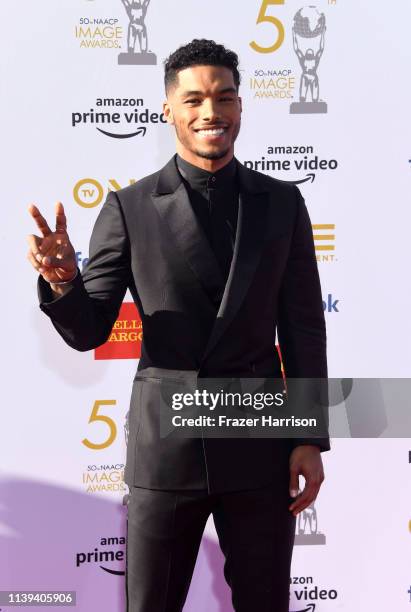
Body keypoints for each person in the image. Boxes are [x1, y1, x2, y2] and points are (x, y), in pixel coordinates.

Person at [27, 39, 330, 612]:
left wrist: (309, 437)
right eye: (193, 99)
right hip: (167, 449)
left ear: (241, 106)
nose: (210, 112)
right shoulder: (130, 207)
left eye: (224, 97)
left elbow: (304, 330)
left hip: (259, 446)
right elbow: (90, 329)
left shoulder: (283, 203)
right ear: (168, 109)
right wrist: (65, 281)